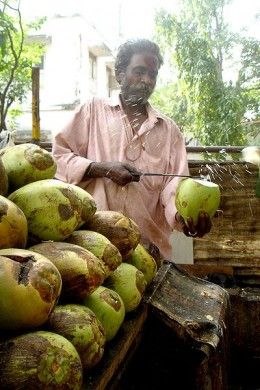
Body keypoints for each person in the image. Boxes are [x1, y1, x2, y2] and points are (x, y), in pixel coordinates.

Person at [52, 38, 212, 263]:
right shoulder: (92, 112)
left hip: (147, 252)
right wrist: (101, 168)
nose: (146, 80)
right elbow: (58, 158)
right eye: (139, 71)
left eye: (153, 74)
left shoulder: (168, 131)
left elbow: (174, 188)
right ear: (119, 74)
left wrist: (184, 218)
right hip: (92, 246)